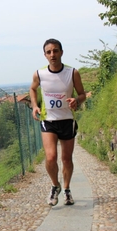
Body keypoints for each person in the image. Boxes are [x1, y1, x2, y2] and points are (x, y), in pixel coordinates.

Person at [29, 38, 86, 206]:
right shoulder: (39, 74)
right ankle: (55, 185)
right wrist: (34, 106)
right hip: (49, 120)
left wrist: (77, 100)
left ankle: (67, 190)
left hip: (67, 120)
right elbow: (32, 89)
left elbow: (82, 94)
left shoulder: (72, 72)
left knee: (66, 159)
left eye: (55, 51)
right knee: (51, 157)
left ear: (61, 52)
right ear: (45, 55)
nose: (52, 55)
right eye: (49, 52)